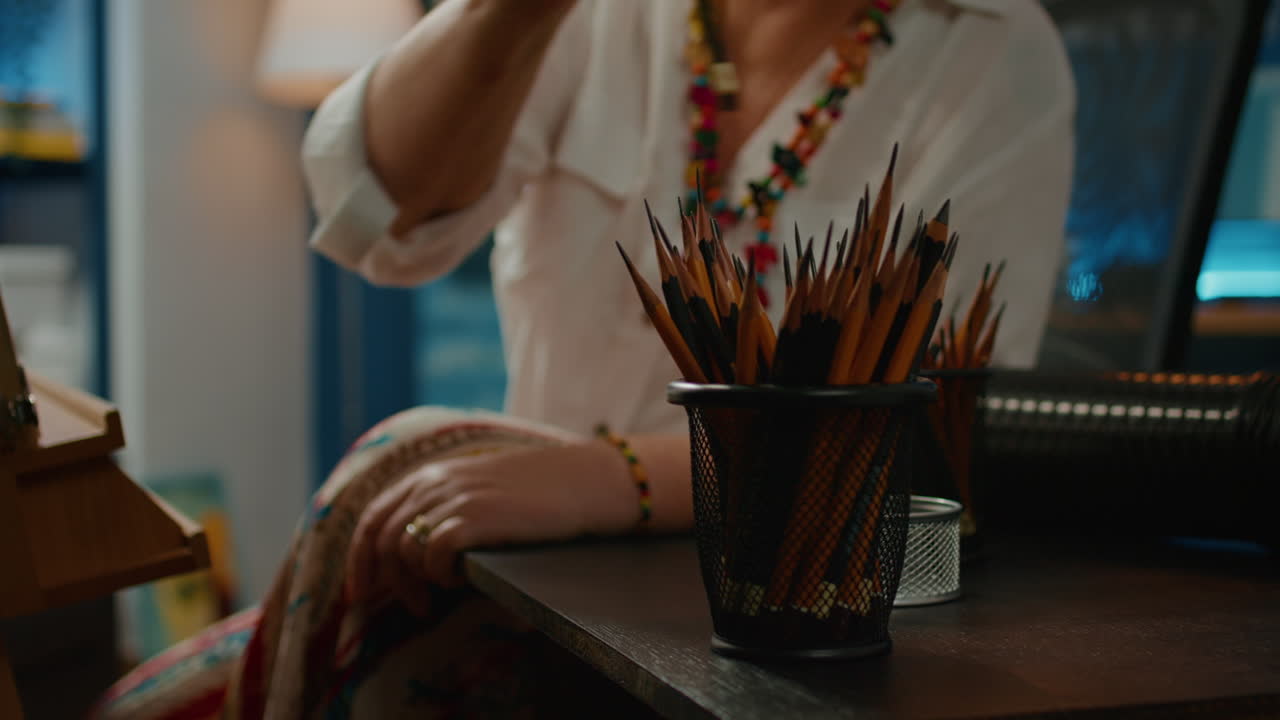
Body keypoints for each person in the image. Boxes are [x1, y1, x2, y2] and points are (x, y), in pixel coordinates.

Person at [93, 0, 1074, 717]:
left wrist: (604, 479)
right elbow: (375, 218)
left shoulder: (997, 49)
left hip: (770, 624)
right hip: (518, 568)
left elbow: (925, 436)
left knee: (402, 454)